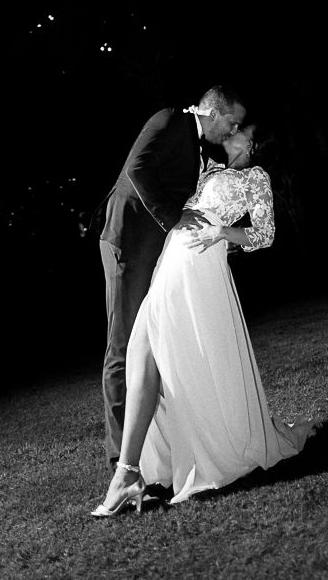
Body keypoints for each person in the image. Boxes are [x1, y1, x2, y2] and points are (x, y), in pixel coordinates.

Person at [91, 123, 319, 515]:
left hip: (196, 265)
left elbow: (264, 235)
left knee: (148, 351)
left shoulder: (255, 177)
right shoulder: (209, 168)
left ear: (250, 142)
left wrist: (223, 232)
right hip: (171, 259)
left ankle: (127, 474)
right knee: (143, 353)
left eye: (238, 129)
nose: (230, 130)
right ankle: (131, 470)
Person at [99, 85, 246, 466]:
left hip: (157, 253)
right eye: (232, 122)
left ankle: (158, 452)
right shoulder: (168, 120)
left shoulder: (200, 148)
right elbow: (136, 170)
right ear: (214, 112)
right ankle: (123, 461)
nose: (233, 131)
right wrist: (173, 220)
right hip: (129, 244)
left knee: (156, 343)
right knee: (124, 347)